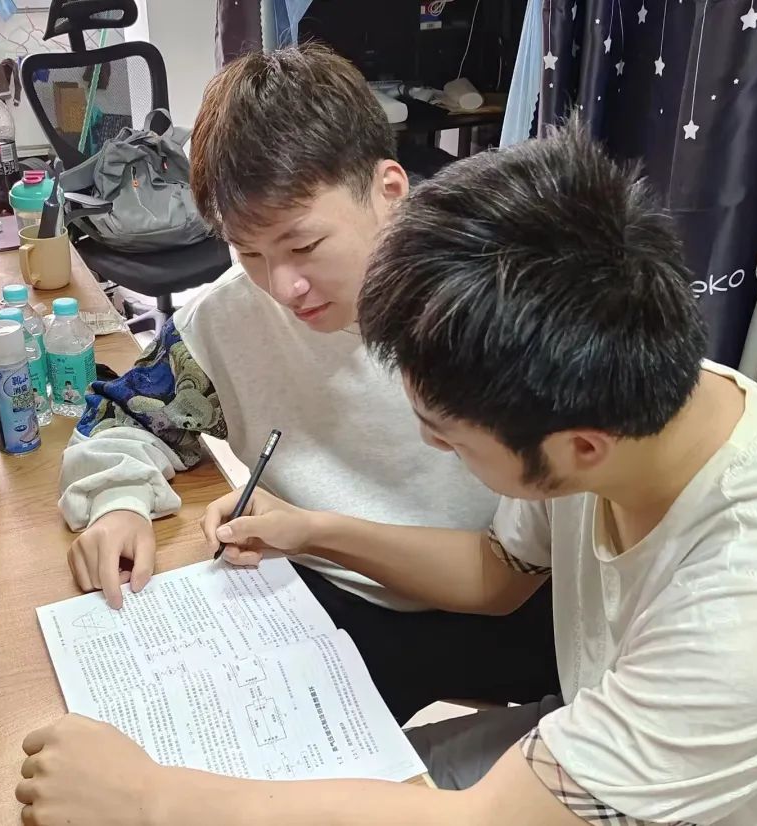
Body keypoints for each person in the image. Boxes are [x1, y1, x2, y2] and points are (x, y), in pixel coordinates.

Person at [21, 124, 757, 825]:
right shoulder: (642, 410)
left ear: (579, 448)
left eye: (449, 438)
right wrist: (315, 531)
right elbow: (503, 575)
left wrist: (150, 798)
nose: (433, 451)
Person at [56, 44, 557, 724]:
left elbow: (505, 577)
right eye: (249, 252)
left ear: (389, 190)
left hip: (508, 613)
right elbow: (128, 418)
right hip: (331, 601)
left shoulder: (500, 309)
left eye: (304, 246)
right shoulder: (230, 316)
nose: (283, 286)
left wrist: (314, 531)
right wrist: (117, 504)